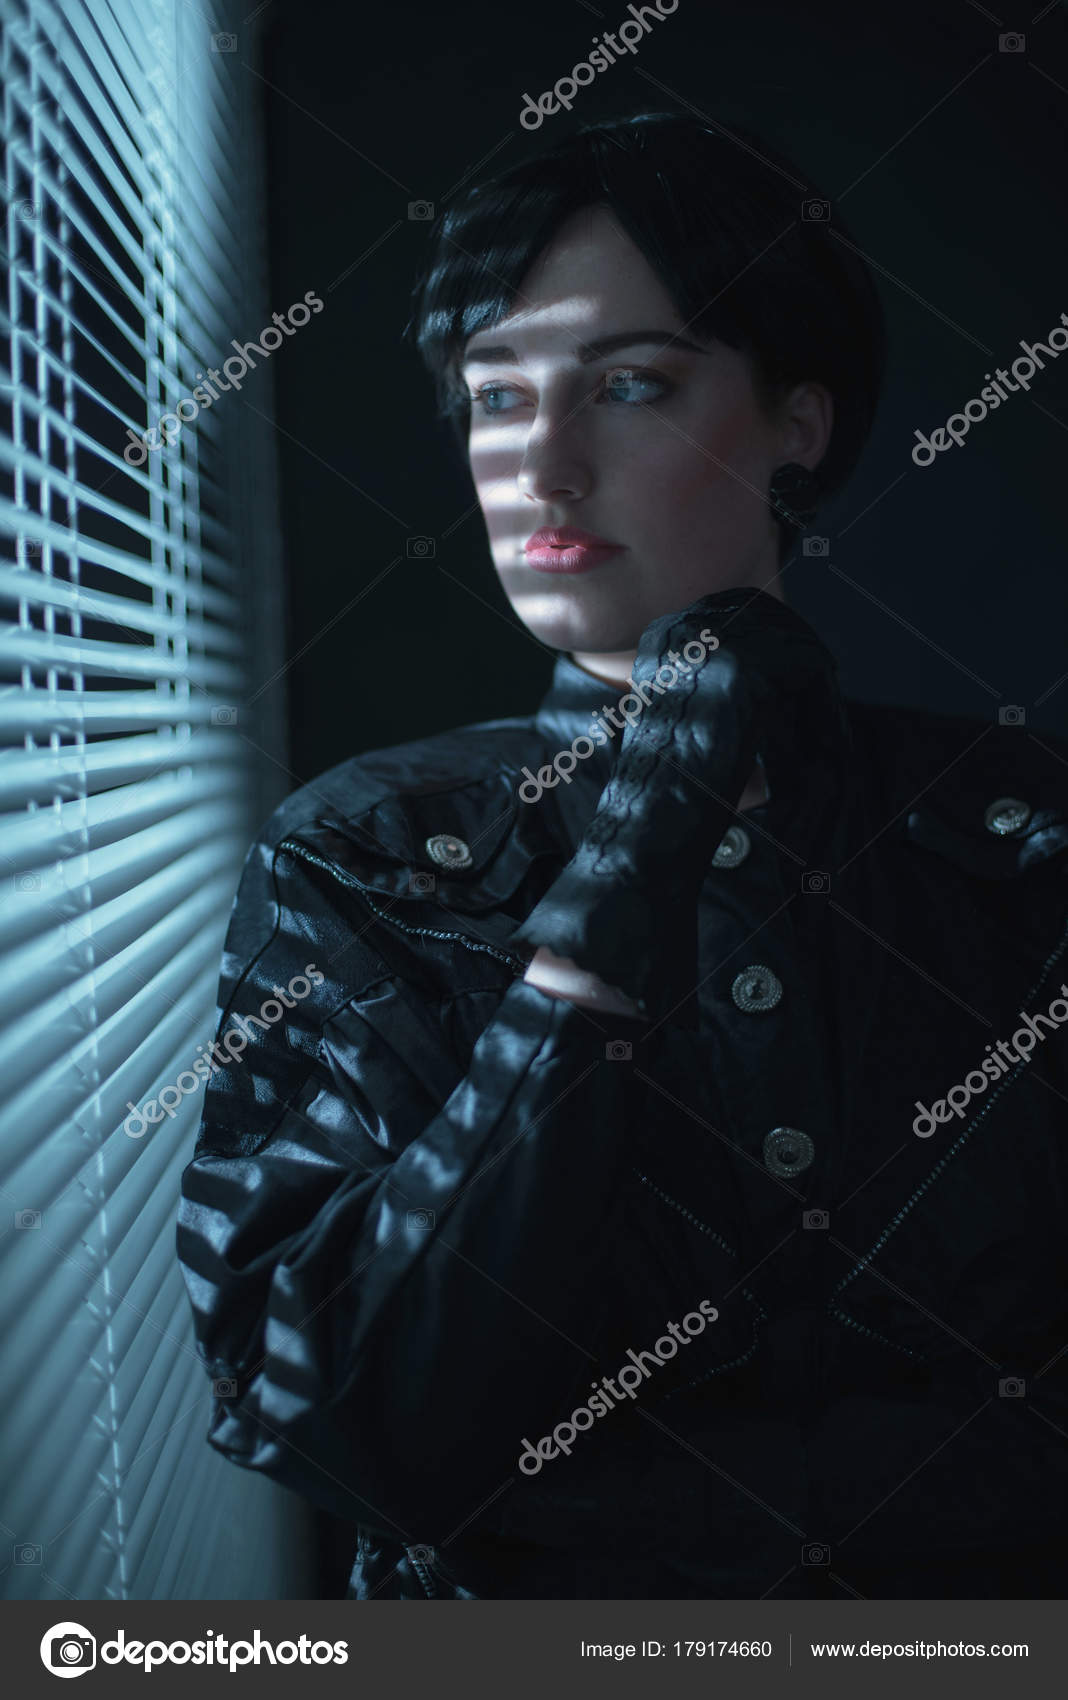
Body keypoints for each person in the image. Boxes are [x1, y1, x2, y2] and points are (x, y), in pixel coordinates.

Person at [176, 112, 1068, 1601]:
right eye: (496, 398)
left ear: (800, 416)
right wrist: (644, 836)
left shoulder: (1019, 824)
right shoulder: (362, 853)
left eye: (631, 385)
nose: (547, 465)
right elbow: (338, 1415)